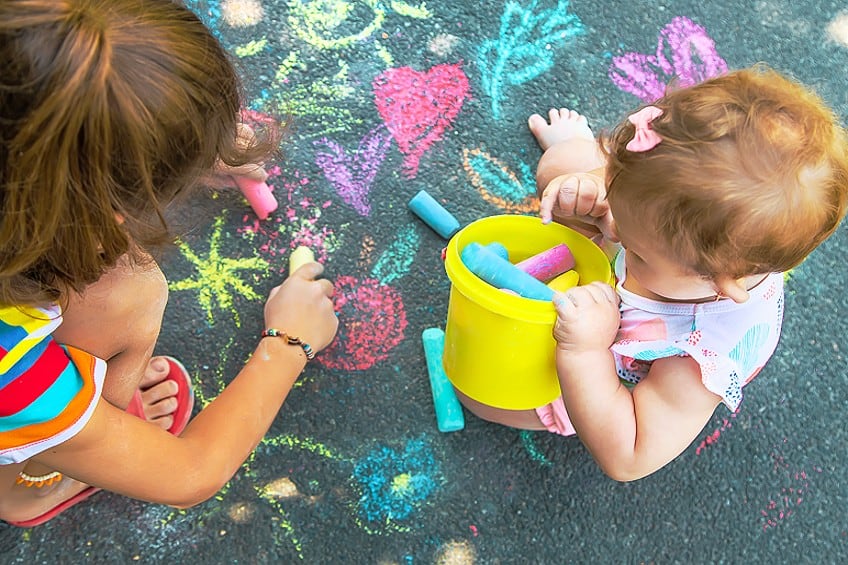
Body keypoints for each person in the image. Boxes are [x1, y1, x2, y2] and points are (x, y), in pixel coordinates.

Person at [0, 0, 338, 526]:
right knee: (130, 287)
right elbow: (190, 473)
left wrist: (166, 141)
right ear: (104, 213)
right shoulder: (9, 375)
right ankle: (35, 481)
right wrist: (290, 342)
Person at [455, 66, 848, 481]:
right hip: (628, 267)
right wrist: (594, 187)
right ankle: (589, 159)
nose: (615, 232)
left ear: (718, 282)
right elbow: (634, 212)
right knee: (565, 164)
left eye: (637, 252)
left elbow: (630, 456)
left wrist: (584, 353)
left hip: (605, 370)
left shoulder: (696, 360)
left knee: (477, 395)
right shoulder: (687, 228)